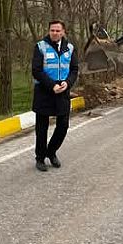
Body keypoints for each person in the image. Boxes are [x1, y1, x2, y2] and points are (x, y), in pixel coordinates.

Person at [31, 20, 79, 172]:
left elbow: (74, 69)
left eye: (58, 31)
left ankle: (51, 152)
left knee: (63, 126)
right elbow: (36, 70)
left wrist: (68, 83)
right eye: (52, 30)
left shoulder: (70, 48)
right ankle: (40, 158)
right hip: (44, 91)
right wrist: (52, 85)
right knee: (42, 128)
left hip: (63, 91)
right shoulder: (40, 47)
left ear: (63, 32)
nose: (55, 33)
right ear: (49, 31)